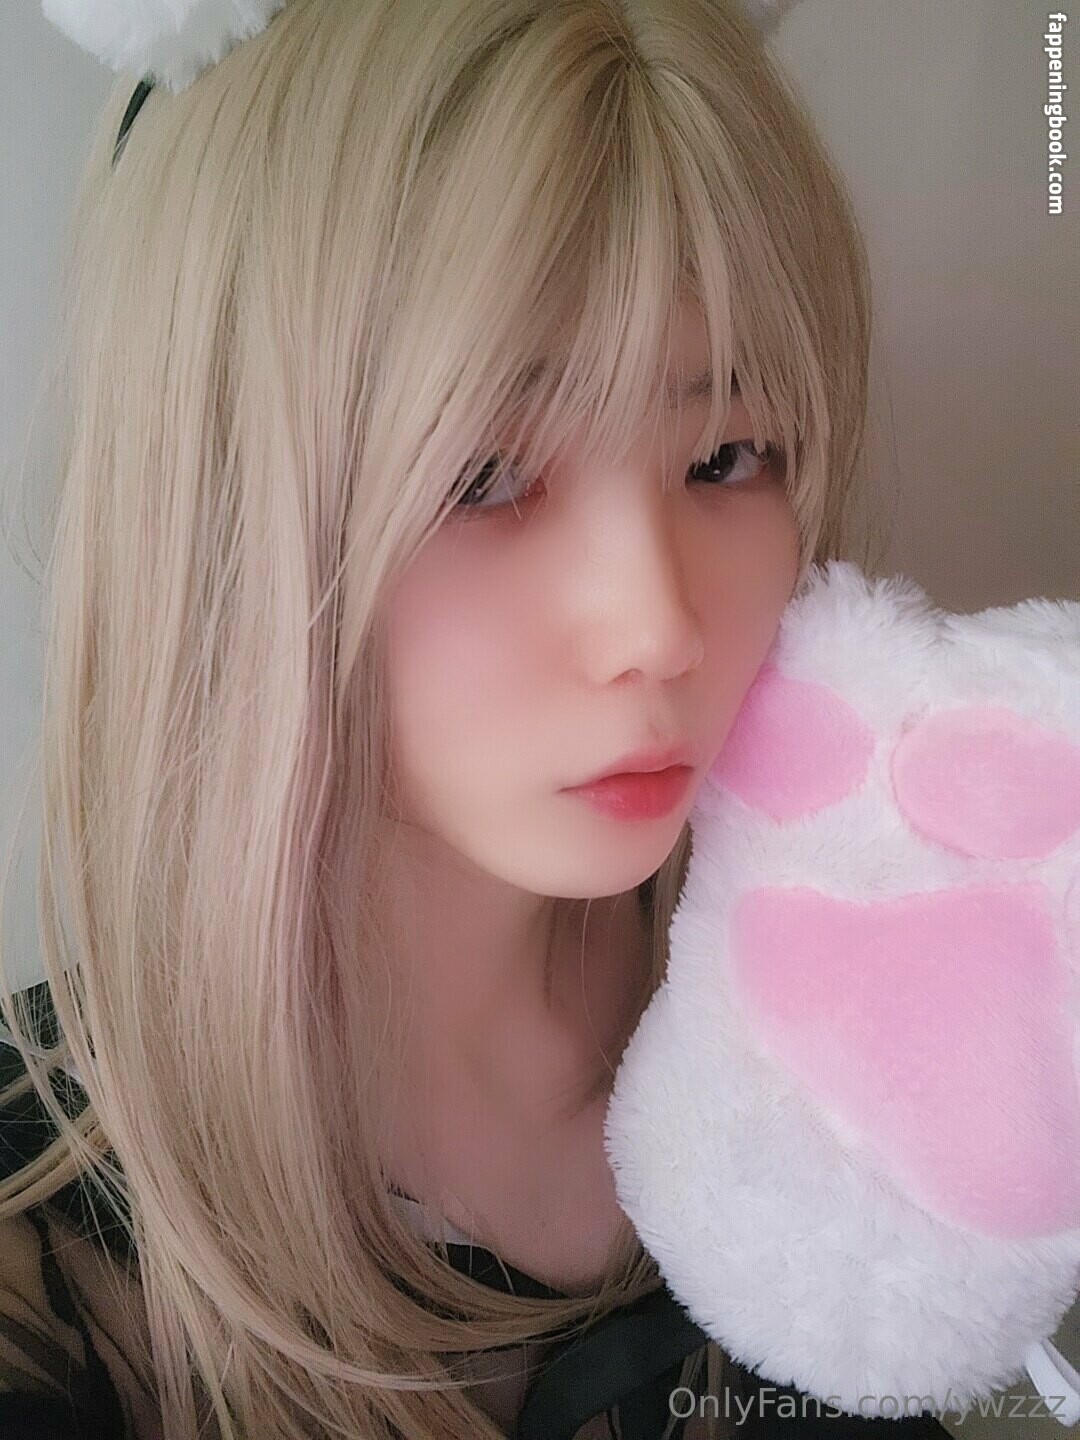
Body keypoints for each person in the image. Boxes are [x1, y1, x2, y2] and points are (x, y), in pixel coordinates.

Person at [0, 1, 949, 1436]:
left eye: (726, 456)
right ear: (229, 513)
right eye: (483, 477)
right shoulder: (49, 1263)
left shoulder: (855, 1043)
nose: (658, 625)